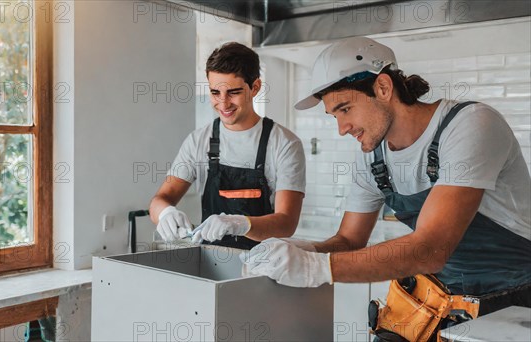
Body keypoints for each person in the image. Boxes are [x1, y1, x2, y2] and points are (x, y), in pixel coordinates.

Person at [241, 37, 531, 339]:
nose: (342, 128)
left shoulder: (469, 125)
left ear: (382, 88)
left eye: (345, 109)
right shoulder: (373, 158)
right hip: (441, 302)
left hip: (513, 303)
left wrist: (316, 268)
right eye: (335, 116)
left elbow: (430, 248)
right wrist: (304, 249)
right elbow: (349, 239)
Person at [149, 42, 306, 250]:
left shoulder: (284, 144)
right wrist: (165, 213)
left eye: (233, 92)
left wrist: (240, 224)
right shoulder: (199, 141)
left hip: (264, 265)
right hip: (211, 262)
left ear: (255, 87)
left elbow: (286, 223)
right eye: (215, 92)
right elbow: (160, 199)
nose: (223, 104)